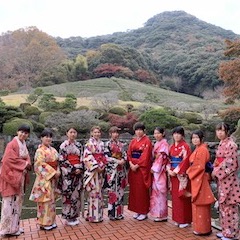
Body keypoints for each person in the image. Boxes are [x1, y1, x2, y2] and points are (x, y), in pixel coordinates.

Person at [0, 124, 31, 236]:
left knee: (17, 202)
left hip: (20, 176)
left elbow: (27, 158)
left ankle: (14, 227)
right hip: (11, 176)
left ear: (28, 135)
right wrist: (25, 164)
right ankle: (5, 229)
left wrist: (26, 163)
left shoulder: (23, 144)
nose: (23, 134)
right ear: (17, 132)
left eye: (26, 133)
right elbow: (8, 159)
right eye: (21, 132)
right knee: (8, 203)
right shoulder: (11, 144)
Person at [212, 123, 240, 240]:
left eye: (222, 131)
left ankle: (232, 234)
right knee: (223, 207)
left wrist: (216, 172)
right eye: (218, 130)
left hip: (229, 181)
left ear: (227, 131)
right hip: (222, 180)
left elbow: (231, 163)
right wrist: (214, 169)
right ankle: (225, 231)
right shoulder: (221, 144)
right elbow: (217, 161)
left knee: (230, 207)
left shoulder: (231, 145)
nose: (220, 133)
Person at [29, 129, 60, 231]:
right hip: (44, 179)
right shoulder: (39, 151)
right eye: (46, 136)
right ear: (41, 138)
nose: (48, 138)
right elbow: (39, 165)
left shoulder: (54, 150)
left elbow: (57, 162)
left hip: (53, 178)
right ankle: (44, 223)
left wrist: (58, 170)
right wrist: (53, 173)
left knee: (52, 201)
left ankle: (51, 221)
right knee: (44, 202)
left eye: (50, 136)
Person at [186, 130, 215, 236]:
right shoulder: (198, 148)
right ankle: (200, 228)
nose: (195, 139)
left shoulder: (202, 149)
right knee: (198, 203)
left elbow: (200, 166)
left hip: (201, 178)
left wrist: (188, 172)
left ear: (201, 138)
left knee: (201, 202)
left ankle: (204, 229)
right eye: (193, 138)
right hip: (198, 178)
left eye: (197, 137)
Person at [58, 127, 83, 226]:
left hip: (78, 173)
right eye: (71, 132)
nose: (73, 134)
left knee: (76, 195)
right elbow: (62, 160)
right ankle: (68, 217)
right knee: (68, 195)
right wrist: (73, 169)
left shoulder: (79, 145)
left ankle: (75, 216)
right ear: (67, 133)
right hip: (68, 175)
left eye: (74, 132)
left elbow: (82, 158)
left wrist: (80, 168)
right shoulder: (63, 146)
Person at [127, 122, 153, 221]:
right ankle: (137, 210)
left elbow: (145, 156)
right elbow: (129, 153)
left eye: (140, 130)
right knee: (135, 190)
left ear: (144, 131)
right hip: (133, 168)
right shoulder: (133, 141)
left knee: (142, 190)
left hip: (141, 169)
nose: (138, 132)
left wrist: (137, 165)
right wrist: (130, 163)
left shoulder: (147, 141)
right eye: (137, 130)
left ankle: (144, 211)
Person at [168, 126, 192, 228]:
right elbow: (167, 160)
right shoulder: (171, 147)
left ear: (182, 135)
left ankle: (185, 220)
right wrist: (169, 169)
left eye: (179, 133)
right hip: (172, 174)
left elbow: (185, 161)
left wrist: (176, 171)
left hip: (181, 175)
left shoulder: (185, 146)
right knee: (175, 197)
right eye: (175, 133)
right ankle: (177, 218)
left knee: (182, 196)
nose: (177, 135)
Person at [83, 126, 107, 223]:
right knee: (93, 193)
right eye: (95, 132)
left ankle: (99, 215)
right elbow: (87, 157)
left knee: (99, 193)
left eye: (98, 132)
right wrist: (96, 166)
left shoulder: (102, 144)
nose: (97, 134)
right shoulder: (89, 144)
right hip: (93, 172)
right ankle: (92, 216)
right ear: (91, 133)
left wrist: (103, 166)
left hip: (100, 171)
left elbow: (105, 156)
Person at [104, 126, 127, 220]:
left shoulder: (121, 144)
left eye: (117, 133)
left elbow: (125, 155)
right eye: (113, 132)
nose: (115, 134)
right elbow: (106, 157)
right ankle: (112, 214)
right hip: (112, 171)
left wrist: (123, 160)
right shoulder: (107, 144)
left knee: (121, 191)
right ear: (110, 134)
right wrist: (117, 161)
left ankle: (119, 213)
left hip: (120, 170)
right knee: (112, 192)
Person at [150, 127, 169, 222]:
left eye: (158, 133)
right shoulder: (157, 143)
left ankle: (162, 214)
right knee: (156, 192)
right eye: (155, 133)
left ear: (163, 133)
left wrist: (154, 168)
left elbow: (162, 158)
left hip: (160, 170)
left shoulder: (164, 144)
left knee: (160, 192)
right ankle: (157, 213)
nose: (156, 135)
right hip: (156, 169)